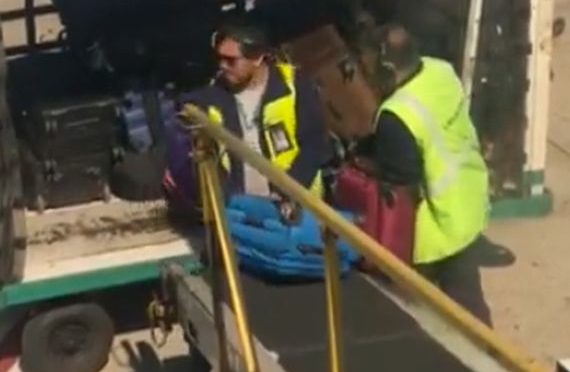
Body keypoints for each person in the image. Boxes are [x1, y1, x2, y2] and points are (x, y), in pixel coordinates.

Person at [357, 23, 493, 325]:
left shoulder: (397, 115)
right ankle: (492, 356)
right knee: (469, 303)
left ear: (387, 66)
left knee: (409, 309)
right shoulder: (439, 71)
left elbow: (399, 181)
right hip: (466, 203)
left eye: (367, 64)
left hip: (434, 224)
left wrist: (365, 163)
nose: (364, 74)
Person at [165, 17, 329, 212]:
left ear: (257, 58)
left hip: (295, 208)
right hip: (241, 209)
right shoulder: (212, 97)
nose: (222, 66)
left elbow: (314, 146)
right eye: (219, 58)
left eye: (231, 60)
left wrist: (289, 194)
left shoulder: (294, 88)